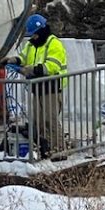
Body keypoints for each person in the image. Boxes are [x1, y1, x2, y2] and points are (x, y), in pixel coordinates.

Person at [18, 12, 67, 156]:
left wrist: (33, 69)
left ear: (41, 31)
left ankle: (59, 150)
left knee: (50, 120)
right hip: (37, 88)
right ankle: (45, 148)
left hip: (51, 88)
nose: (33, 37)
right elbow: (23, 57)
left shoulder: (54, 44)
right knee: (38, 121)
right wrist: (14, 61)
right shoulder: (32, 45)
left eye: (34, 34)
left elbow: (52, 66)